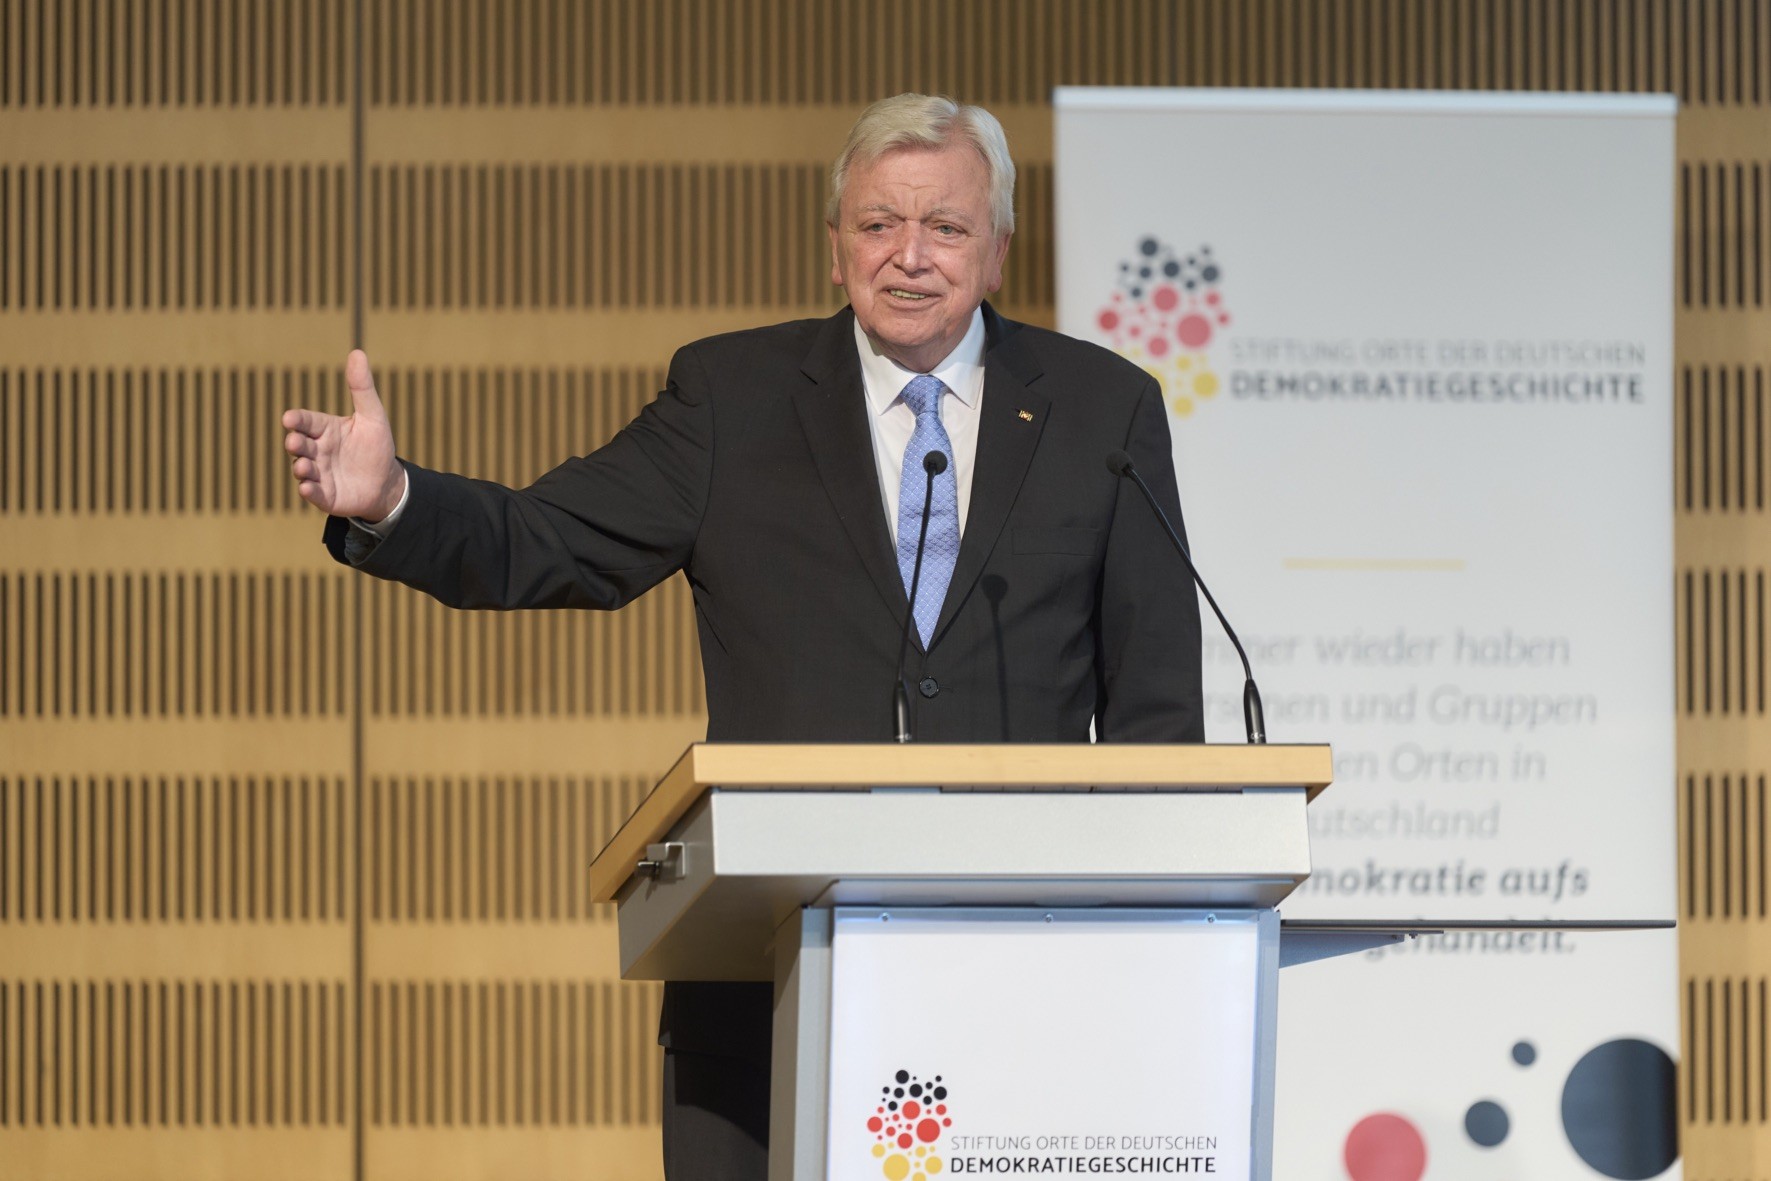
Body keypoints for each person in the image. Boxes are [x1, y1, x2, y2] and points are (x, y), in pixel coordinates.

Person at [282, 93, 1203, 1181]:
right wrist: (392, 494)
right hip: (767, 980)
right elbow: (550, 539)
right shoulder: (733, 397)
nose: (909, 256)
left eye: (945, 227)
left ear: (997, 250)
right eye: (877, 224)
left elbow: (1154, 710)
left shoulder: (1103, 408)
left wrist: (1152, 958)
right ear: (834, 249)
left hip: (1021, 979)